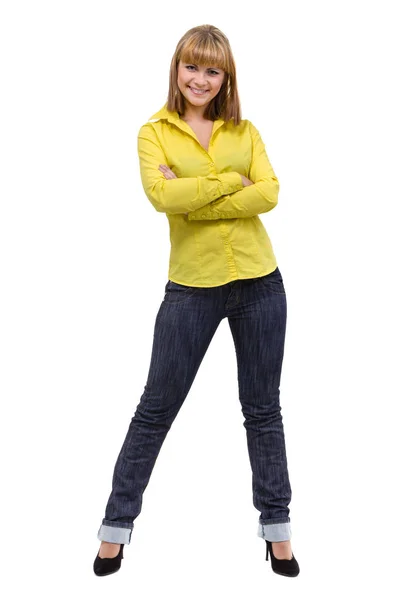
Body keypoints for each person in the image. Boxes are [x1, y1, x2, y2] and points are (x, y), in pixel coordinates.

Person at [93, 23, 300, 578]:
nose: (200, 79)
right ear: (176, 69)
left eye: (213, 70)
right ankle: (115, 528)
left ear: (225, 76)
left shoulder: (245, 129)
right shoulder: (152, 132)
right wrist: (230, 183)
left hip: (260, 282)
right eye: (192, 66)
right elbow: (161, 196)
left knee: (263, 410)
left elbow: (271, 192)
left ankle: (277, 531)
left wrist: (196, 199)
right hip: (191, 286)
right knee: (155, 409)